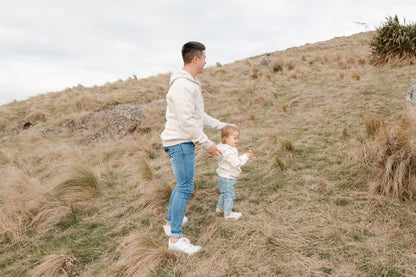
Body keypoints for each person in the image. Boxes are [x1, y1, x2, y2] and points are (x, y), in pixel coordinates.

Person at [161, 41, 230, 254]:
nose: (206, 62)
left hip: (182, 141)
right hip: (180, 143)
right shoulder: (182, 86)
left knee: (181, 185)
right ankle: (175, 240)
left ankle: (170, 223)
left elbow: (199, 117)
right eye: (204, 58)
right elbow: (187, 122)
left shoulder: (190, 83)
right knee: (185, 187)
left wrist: (223, 126)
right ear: (195, 59)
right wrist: (207, 144)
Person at [215, 125, 253, 220]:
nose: (237, 140)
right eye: (234, 138)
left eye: (238, 138)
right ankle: (228, 214)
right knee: (229, 195)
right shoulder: (229, 151)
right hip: (228, 177)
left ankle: (219, 208)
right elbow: (236, 163)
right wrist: (246, 157)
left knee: (223, 193)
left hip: (222, 176)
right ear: (226, 138)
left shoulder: (222, 147)